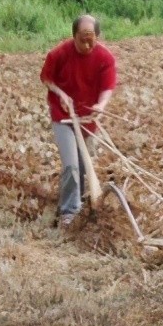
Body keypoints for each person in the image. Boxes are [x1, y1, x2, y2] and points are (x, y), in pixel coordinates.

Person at [40, 14, 117, 227]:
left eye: (91, 38)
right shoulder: (59, 54)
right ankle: (69, 212)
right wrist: (61, 94)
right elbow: (46, 77)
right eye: (82, 39)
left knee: (84, 165)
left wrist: (101, 106)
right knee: (71, 165)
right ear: (73, 36)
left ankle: (82, 205)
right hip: (63, 116)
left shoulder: (105, 58)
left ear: (98, 36)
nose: (86, 44)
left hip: (88, 117)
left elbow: (107, 88)